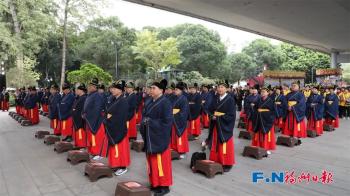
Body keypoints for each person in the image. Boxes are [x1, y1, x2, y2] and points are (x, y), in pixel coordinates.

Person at [140, 79, 173, 196]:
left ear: (161, 90)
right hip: (150, 136)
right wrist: (144, 122)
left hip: (160, 137)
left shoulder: (166, 102)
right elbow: (144, 116)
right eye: (151, 88)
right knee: (152, 162)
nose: (151, 90)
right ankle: (155, 183)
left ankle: (164, 186)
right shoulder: (149, 101)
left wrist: (151, 122)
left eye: (154, 88)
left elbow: (167, 122)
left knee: (160, 162)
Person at [208, 80, 236, 172]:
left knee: (224, 144)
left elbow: (231, 115)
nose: (220, 89)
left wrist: (219, 118)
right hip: (216, 124)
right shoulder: (215, 98)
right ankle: (216, 159)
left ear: (227, 89)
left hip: (224, 126)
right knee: (215, 142)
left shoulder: (230, 99)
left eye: (222, 87)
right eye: (219, 87)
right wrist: (212, 115)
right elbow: (210, 110)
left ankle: (227, 163)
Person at [104, 81, 130, 176]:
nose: (112, 90)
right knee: (115, 149)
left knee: (120, 149)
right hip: (113, 127)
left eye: (115, 88)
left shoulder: (123, 101)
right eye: (112, 88)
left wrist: (109, 118)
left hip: (119, 129)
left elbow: (121, 117)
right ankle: (116, 164)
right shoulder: (115, 99)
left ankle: (122, 166)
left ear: (120, 90)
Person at [83, 78, 107, 160]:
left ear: (95, 87)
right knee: (92, 138)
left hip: (96, 121)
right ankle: (93, 151)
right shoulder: (90, 95)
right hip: (90, 119)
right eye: (89, 85)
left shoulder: (97, 96)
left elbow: (96, 110)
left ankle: (98, 153)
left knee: (97, 138)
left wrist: (87, 115)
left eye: (91, 86)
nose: (89, 87)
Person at [251, 87, 276, 154]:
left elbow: (273, 112)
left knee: (266, 134)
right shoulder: (258, 100)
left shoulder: (271, 101)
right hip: (259, 119)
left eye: (264, 92)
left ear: (268, 93)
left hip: (267, 119)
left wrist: (264, 113)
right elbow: (256, 108)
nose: (262, 93)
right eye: (262, 92)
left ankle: (266, 147)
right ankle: (258, 145)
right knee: (259, 133)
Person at [171, 81, 189, 159]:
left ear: (181, 91)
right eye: (175, 89)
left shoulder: (184, 99)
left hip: (179, 119)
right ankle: (175, 149)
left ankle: (182, 151)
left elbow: (184, 112)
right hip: (174, 118)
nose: (175, 91)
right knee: (173, 135)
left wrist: (175, 115)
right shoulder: (174, 98)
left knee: (180, 136)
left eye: (177, 90)